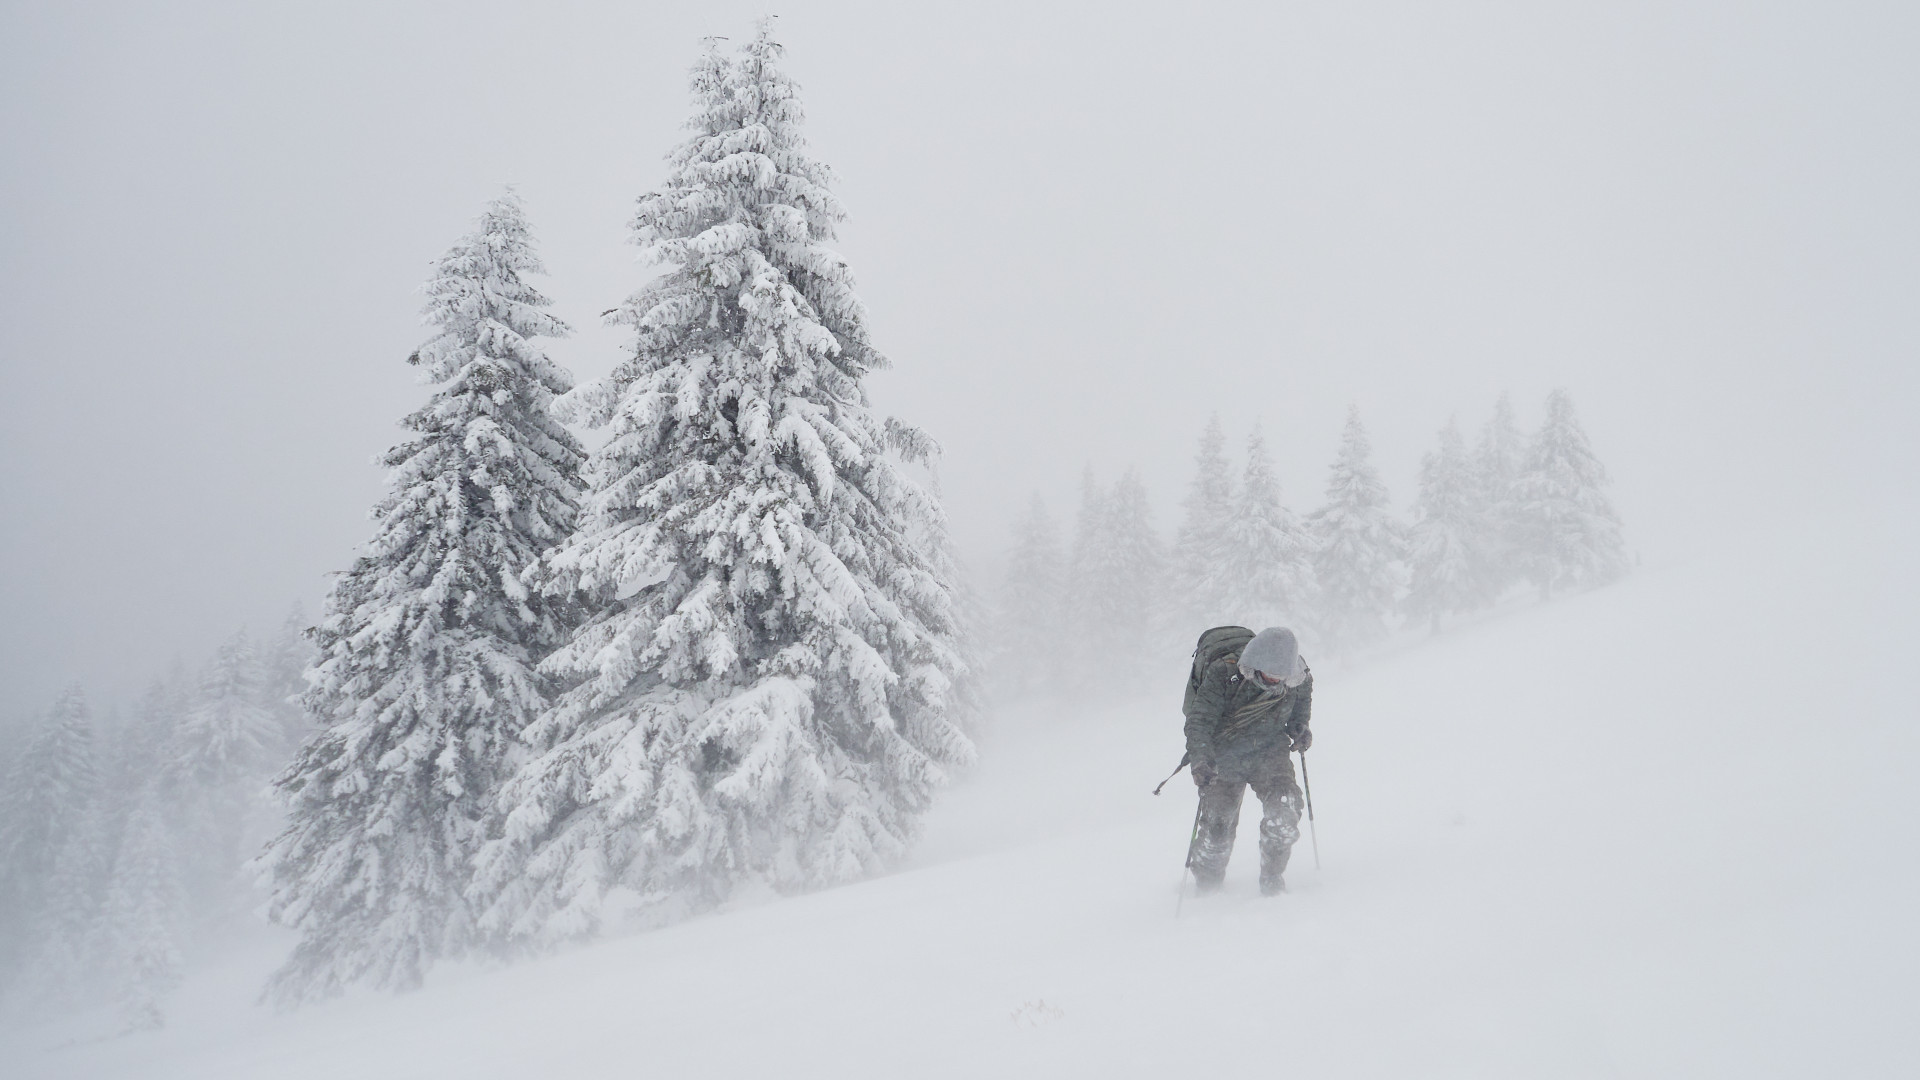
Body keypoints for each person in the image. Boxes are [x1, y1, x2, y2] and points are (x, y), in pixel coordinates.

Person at [1184, 626, 1312, 896]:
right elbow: (1200, 721)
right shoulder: (1224, 673)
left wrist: (1300, 728)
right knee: (1217, 826)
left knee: (1285, 810)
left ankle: (1272, 881)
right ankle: (1207, 887)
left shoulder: (1297, 677)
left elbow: (1300, 707)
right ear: (1256, 663)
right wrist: (1201, 759)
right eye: (1271, 674)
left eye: (1281, 676)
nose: (1276, 681)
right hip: (1224, 755)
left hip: (1270, 751)